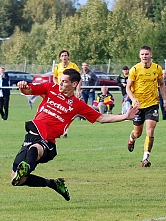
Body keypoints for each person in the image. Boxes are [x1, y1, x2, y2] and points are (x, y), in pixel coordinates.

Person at [10, 68, 139, 200]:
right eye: (60, 80)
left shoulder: (77, 105)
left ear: (74, 84)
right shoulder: (50, 88)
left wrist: (125, 116)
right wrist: (22, 87)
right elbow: (28, 90)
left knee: (35, 149)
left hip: (47, 141)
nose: (60, 83)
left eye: (64, 81)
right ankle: (53, 183)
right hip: (31, 136)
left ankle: (27, 167)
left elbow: (101, 118)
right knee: (16, 180)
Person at [126, 46, 166, 167]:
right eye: (142, 54)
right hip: (138, 106)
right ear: (140, 56)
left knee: (150, 130)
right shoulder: (134, 69)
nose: (144, 56)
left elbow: (162, 84)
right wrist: (133, 99)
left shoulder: (157, 68)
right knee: (138, 133)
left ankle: (145, 158)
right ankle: (132, 138)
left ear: (151, 55)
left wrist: (165, 102)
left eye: (146, 54)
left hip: (152, 104)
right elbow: (128, 88)